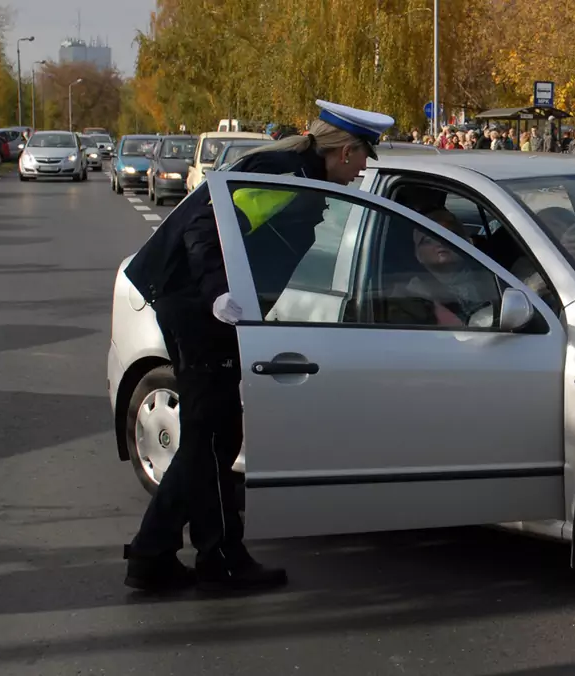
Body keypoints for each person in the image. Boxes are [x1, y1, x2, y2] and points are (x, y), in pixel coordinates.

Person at [119, 99, 395, 594]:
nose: (362, 173)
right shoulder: (282, 173)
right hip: (196, 305)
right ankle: (182, 554)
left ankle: (186, 554)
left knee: (213, 435)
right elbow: (208, 227)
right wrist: (217, 295)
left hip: (203, 304)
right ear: (347, 151)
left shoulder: (299, 174)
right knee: (214, 435)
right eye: (363, 160)